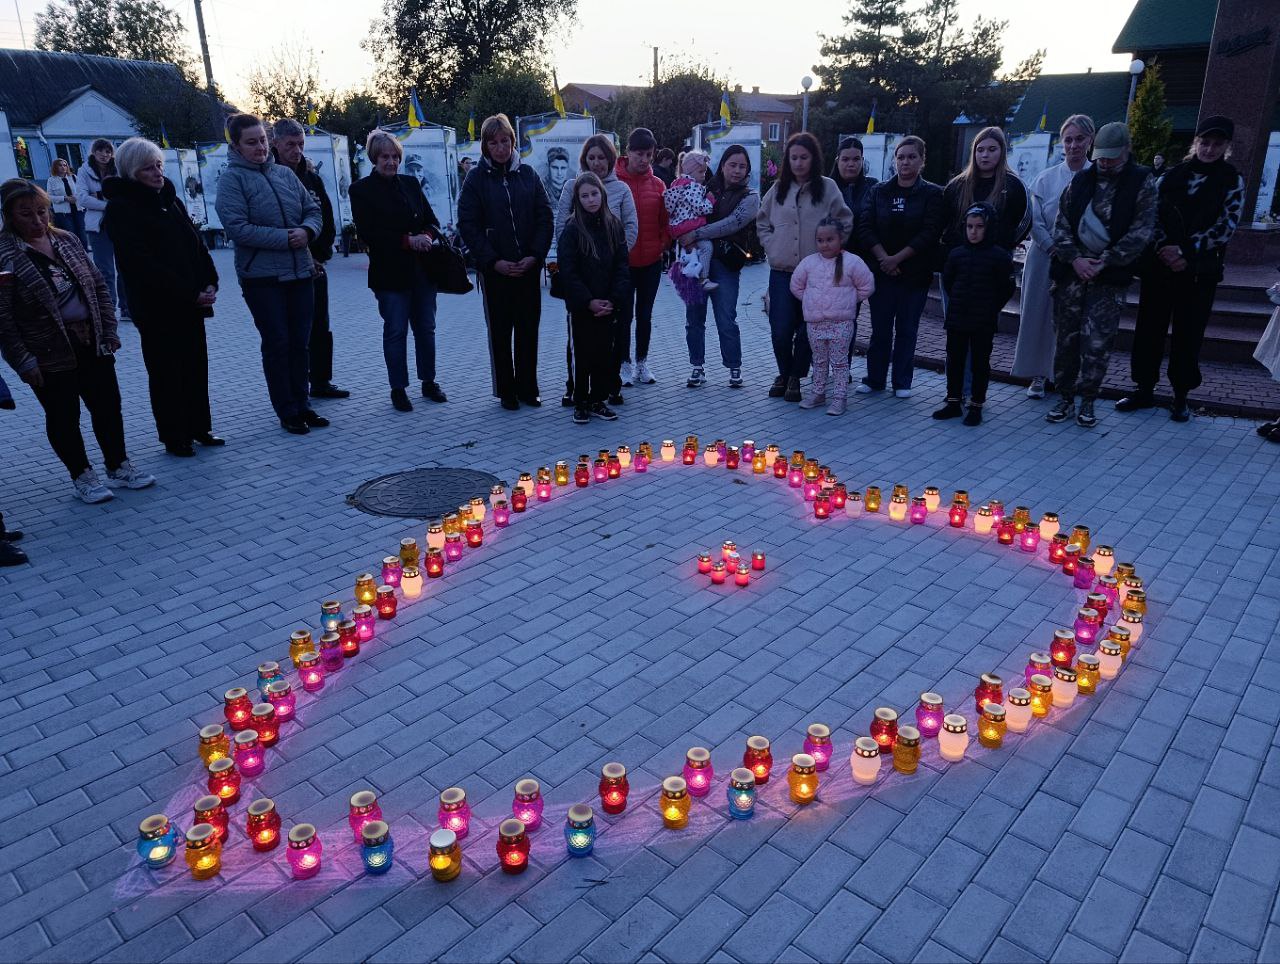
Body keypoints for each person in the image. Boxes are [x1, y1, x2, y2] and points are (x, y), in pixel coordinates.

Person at [0, 178, 155, 502]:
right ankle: (82, 475)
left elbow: (98, 286)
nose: (37, 220)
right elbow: (3, 318)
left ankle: (118, 465)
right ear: (9, 216)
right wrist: (23, 360)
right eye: (26, 214)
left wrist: (109, 330)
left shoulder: (66, 239)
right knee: (63, 415)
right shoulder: (6, 255)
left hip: (90, 339)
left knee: (107, 407)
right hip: (47, 350)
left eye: (42, 211)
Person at [1117, 115, 1245, 422]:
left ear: (1226, 146)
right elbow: (1150, 215)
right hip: (1160, 266)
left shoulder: (1231, 180)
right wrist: (1165, 248)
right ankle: (1144, 389)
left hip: (1199, 270)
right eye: (1205, 142)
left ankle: (1180, 395)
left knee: (1189, 334)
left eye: (1217, 144)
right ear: (1196, 143)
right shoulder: (1171, 176)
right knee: (1149, 329)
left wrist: (1186, 250)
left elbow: (1226, 226)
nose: (1209, 149)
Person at [103, 137, 221, 458]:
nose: (157, 173)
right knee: (166, 372)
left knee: (195, 366)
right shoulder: (121, 208)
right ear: (131, 172)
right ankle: (174, 435)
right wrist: (189, 293)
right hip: (157, 306)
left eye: (158, 165)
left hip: (191, 303)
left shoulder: (170, 199)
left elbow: (195, 245)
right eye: (148, 169)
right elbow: (140, 263)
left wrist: (209, 281)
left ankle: (199, 427)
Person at [215, 113, 326, 435]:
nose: (260, 147)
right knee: (278, 343)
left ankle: (303, 404)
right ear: (236, 146)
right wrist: (286, 238)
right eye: (251, 142)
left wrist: (308, 231)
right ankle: (287, 410)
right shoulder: (231, 180)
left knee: (300, 343)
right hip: (262, 278)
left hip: (300, 272)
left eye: (262, 140)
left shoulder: (285, 174)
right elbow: (237, 228)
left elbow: (313, 210)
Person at [1046, 122, 1157, 428]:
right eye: (1101, 157)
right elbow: (1061, 225)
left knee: (1097, 343)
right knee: (1066, 341)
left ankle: (1088, 401)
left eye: (1112, 157)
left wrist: (1105, 261)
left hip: (1109, 279)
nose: (1105, 163)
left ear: (1126, 151)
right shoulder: (1082, 181)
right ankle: (1065, 397)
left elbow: (1142, 231)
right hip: (1072, 276)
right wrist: (1075, 259)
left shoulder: (1141, 182)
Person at [457, 113, 553, 409]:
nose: (501, 148)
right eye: (494, 143)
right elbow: (468, 225)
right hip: (496, 272)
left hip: (527, 268)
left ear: (513, 141)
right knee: (500, 332)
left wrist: (535, 255)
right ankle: (506, 391)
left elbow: (544, 217)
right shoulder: (475, 179)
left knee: (528, 330)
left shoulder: (528, 174)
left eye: (505, 141)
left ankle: (528, 388)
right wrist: (492, 261)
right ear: (485, 146)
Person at [350, 129, 447, 412]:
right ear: (374, 158)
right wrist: (408, 241)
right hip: (390, 275)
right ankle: (398, 388)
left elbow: (432, 220)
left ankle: (428, 381)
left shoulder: (410, 183)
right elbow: (368, 233)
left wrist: (427, 236)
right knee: (395, 331)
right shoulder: (361, 190)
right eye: (385, 157)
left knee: (426, 329)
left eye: (395, 156)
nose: (391, 162)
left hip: (423, 271)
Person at [757, 132, 852, 401]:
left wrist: (831, 248)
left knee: (807, 329)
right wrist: (772, 246)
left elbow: (845, 221)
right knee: (780, 329)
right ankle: (784, 373)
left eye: (804, 157)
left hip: (817, 274)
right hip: (782, 272)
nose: (798, 163)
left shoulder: (828, 188)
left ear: (814, 159)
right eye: (794, 158)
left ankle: (795, 377)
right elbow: (762, 222)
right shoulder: (778, 189)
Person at [552, 134, 638, 406]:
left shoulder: (621, 189)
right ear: (584, 159)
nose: (597, 162)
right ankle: (575, 389)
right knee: (579, 342)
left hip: (610, 279)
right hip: (582, 281)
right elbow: (562, 226)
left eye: (602, 157)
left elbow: (630, 227)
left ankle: (609, 388)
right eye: (592, 157)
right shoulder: (571, 186)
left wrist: (611, 255)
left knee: (610, 340)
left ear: (610, 159)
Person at [856, 135, 945, 397]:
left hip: (914, 275)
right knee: (880, 330)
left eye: (912, 157)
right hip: (882, 273)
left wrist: (898, 258)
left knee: (907, 330)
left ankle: (902, 382)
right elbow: (865, 227)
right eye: (901, 157)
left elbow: (930, 232)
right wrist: (884, 258)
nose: (905, 162)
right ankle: (875, 379)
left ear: (922, 160)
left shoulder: (932, 194)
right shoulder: (879, 191)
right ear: (894, 160)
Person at [1013, 114, 1095, 398]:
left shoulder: (1098, 178)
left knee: (1073, 321)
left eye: (1079, 139)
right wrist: (1053, 247)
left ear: (1090, 140)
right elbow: (1034, 219)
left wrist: (1076, 254)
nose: (1073, 145)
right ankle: (1037, 374)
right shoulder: (1046, 178)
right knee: (1038, 316)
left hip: (1080, 261)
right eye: (1068, 139)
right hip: (1044, 257)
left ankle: (1063, 376)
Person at [272, 119, 349, 402]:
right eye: (290, 145)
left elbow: (325, 216)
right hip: (286, 267)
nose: (297, 151)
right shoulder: (268, 176)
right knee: (291, 331)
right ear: (276, 144)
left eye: (301, 144)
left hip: (316, 265)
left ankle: (321, 380)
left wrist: (322, 255)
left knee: (320, 325)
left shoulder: (312, 177)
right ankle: (294, 387)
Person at [682, 145, 758, 389]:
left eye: (742, 166)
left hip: (726, 264)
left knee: (726, 318)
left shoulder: (750, 196)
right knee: (694, 318)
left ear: (747, 170)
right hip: (695, 260)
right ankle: (697, 366)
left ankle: (734, 366)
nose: (737, 170)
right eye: (732, 164)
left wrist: (696, 233)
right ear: (722, 165)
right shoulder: (704, 188)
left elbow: (731, 224)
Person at [932, 204, 1015, 426]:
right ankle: (953, 401)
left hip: (983, 320)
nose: (974, 232)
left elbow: (1006, 288)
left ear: (989, 228)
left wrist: (991, 307)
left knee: (979, 363)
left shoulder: (999, 257)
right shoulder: (956, 254)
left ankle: (976, 404)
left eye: (979, 227)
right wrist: (960, 302)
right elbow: (948, 281)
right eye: (969, 226)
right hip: (958, 317)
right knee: (955, 359)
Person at [557, 172, 630, 426]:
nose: (591, 200)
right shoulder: (572, 229)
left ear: (603, 194)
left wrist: (613, 299)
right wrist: (587, 301)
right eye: (585, 196)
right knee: (582, 355)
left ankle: (598, 399)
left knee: (604, 354)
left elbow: (622, 265)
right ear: (577, 199)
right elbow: (568, 271)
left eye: (594, 194)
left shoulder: (614, 226)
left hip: (608, 304)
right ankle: (580, 401)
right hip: (582, 307)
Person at [789, 217, 874, 415]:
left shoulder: (853, 262)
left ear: (840, 239)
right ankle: (818, 393)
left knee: (839, 362)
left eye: (830, 239)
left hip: (841, 323)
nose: (825, 244)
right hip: (815, 323)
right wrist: (810, 301)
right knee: (818, 360)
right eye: (820, 240)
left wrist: (848, 301)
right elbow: (796, 285)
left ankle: (839, 397)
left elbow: (867, 286)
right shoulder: (809, 263)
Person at [614, 127, 669, 390]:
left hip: (651, 263)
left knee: (645, 316)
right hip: (623, 264)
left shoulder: (658, 184)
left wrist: (662, 245)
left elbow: (665, 222)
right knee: (624, 316)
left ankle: (642, 363)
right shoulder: (614, 182)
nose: (644, 159)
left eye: (649, 154)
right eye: (639, 154)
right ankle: (623, 364)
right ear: (628, 152)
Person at [832, 136, 878, 374]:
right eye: (846, 159)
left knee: (848, 318)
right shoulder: (826, 186)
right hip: (830, 264)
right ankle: (821, 364)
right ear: (837, 160)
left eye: (856, 159)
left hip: (860, 264)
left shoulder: (873, 187)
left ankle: (843, 367)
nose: (851, 164)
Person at [76, 139, 129, 321]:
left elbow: (125, 194)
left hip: (121, 224)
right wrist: (109, 204)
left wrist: (98, 196)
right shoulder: (84, 170)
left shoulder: (119, 169)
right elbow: (82, 199)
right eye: (101, 151)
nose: (104, 155)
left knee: (125, 268)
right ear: (94, 152)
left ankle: (127, 308)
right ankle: (108, 310)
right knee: (105, 271)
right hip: (98, 227)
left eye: (108, 151)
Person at [665, 150, 717, 291]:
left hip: (679, 226)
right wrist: (710, 200)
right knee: (706, 247)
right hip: (689, 225)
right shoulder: (692, 186)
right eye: (701, 172)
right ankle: (703, 279)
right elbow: (701, 208)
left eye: (704, 172)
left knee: (692, 252)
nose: (704, 175)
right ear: (690, 171)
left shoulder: (677, 184)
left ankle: (689, 272)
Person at [47, 158, 87, 247]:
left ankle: (84, 251)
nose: (63, 167)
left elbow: (82, 190)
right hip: (64, 213)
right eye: (60, 165)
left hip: (78, 210)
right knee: (70, 233)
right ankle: (74, 251)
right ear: (55, 167)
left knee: (82, 233)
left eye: (65, 165)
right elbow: (49, 197)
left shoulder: (74, 177)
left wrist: (76, 197)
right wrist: (64, 198)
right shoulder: (51, 180)